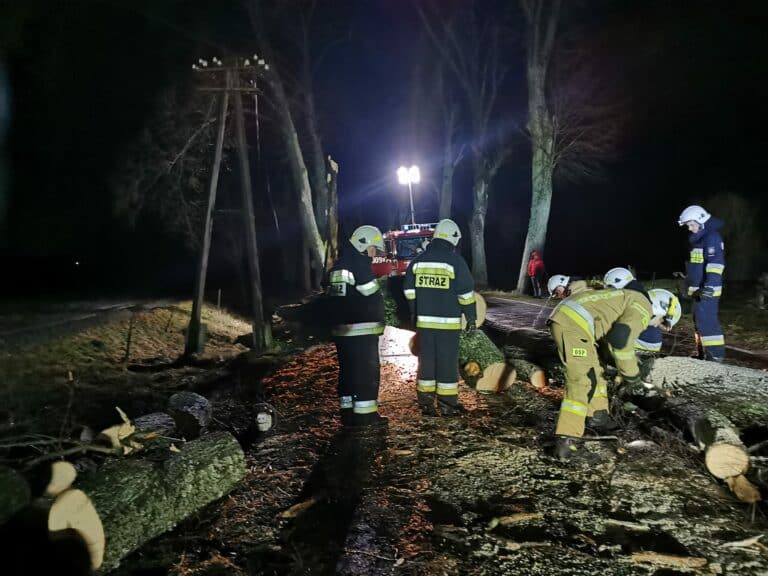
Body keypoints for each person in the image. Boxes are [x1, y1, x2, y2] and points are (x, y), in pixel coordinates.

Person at [548, 284, 680, 461]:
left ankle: (598, 417)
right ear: (660, 308)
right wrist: (632, 377)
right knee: (581, 380)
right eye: (661, 321)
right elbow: (620, 342)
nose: (656, 324)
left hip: (575, 322)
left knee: (596, 370)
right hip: (573, 325)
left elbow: (611, 339)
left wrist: (622, 365)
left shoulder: (628, 298)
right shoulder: (643, 306)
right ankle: (567, 443)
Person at [403, 219, 477, 417]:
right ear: (452, 239)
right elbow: (466, 294)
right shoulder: (455, 262)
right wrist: (471, 317)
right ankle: (447, 404)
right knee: (446, 363)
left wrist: (414, 311)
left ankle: (426, 403)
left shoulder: (418, 261)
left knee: (426, 361)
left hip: (424, 324)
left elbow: (409, 291)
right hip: (448, 325)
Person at [326, 225, 387, 427]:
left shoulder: (338, 266)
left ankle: (347, 412)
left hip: (341, 331)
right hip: (361, 331)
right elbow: (372, 295)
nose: (374, 254)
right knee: (366, 373)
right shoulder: (359, 265)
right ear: (364, 245)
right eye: (374, 249)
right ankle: (365, 416)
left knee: (348, 371)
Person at [678, 205, 726, 362]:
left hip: (707, 291)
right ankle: (703, 354)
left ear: (702, 221)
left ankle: (716, 358)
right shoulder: (699, 240)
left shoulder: (712, 237)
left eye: (691, 225)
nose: (690, 229)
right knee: (699, 323)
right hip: (699, 291)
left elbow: (715, 265)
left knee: (708, 324)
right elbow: (697, 267)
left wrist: (709, 287)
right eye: (687, 226)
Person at [603, 267, 660, 353]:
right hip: (652, 341)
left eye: (610, 286)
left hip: (641, 341)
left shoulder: (626, 296)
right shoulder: (638, 292)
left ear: (618, 283)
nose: (607, 289)